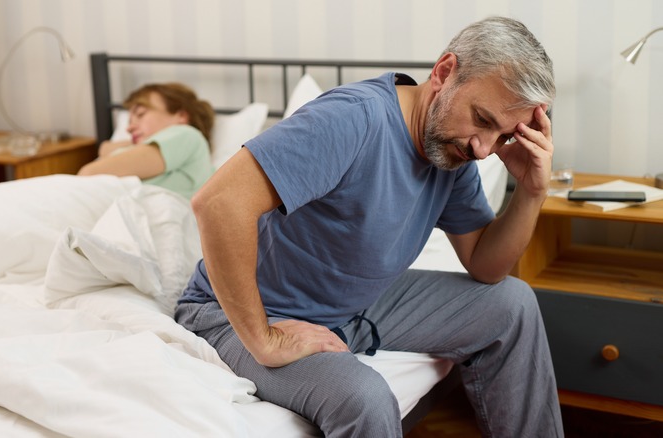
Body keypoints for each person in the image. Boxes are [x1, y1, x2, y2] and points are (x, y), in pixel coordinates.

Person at [176, 16, 563, 437]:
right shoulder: (353, 120)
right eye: (483, 120)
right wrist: (264, 338)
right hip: (246, 313)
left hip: (356, 304)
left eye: (503, 136)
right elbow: (217, 202)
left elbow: (487, 267)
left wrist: (530, 192)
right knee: (366, 399)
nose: (484, 149)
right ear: (445, 71)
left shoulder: (453, 152)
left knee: (511, 303)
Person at [78, 82, 214, 199]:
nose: (129, 128)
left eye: (140, 114)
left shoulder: (186, 134)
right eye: (129, 121)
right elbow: (104, 148)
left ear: (181, 116)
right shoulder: (164, 148)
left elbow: (89, 174)